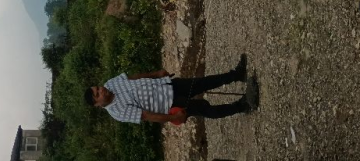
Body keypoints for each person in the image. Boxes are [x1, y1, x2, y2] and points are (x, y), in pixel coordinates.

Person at [84, 56, 257, 124]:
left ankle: (236, 75)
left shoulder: (110, 83)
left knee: (203, 82)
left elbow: (132, 78)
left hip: (167, 85)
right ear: (97, 104)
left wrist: (156, 74)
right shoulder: (117, 112)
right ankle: (242, 105)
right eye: (98, 94)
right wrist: (173, 117)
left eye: (98, 88)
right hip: (170, 104)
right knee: (204, 108)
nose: (102, 90)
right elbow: (146, 116)